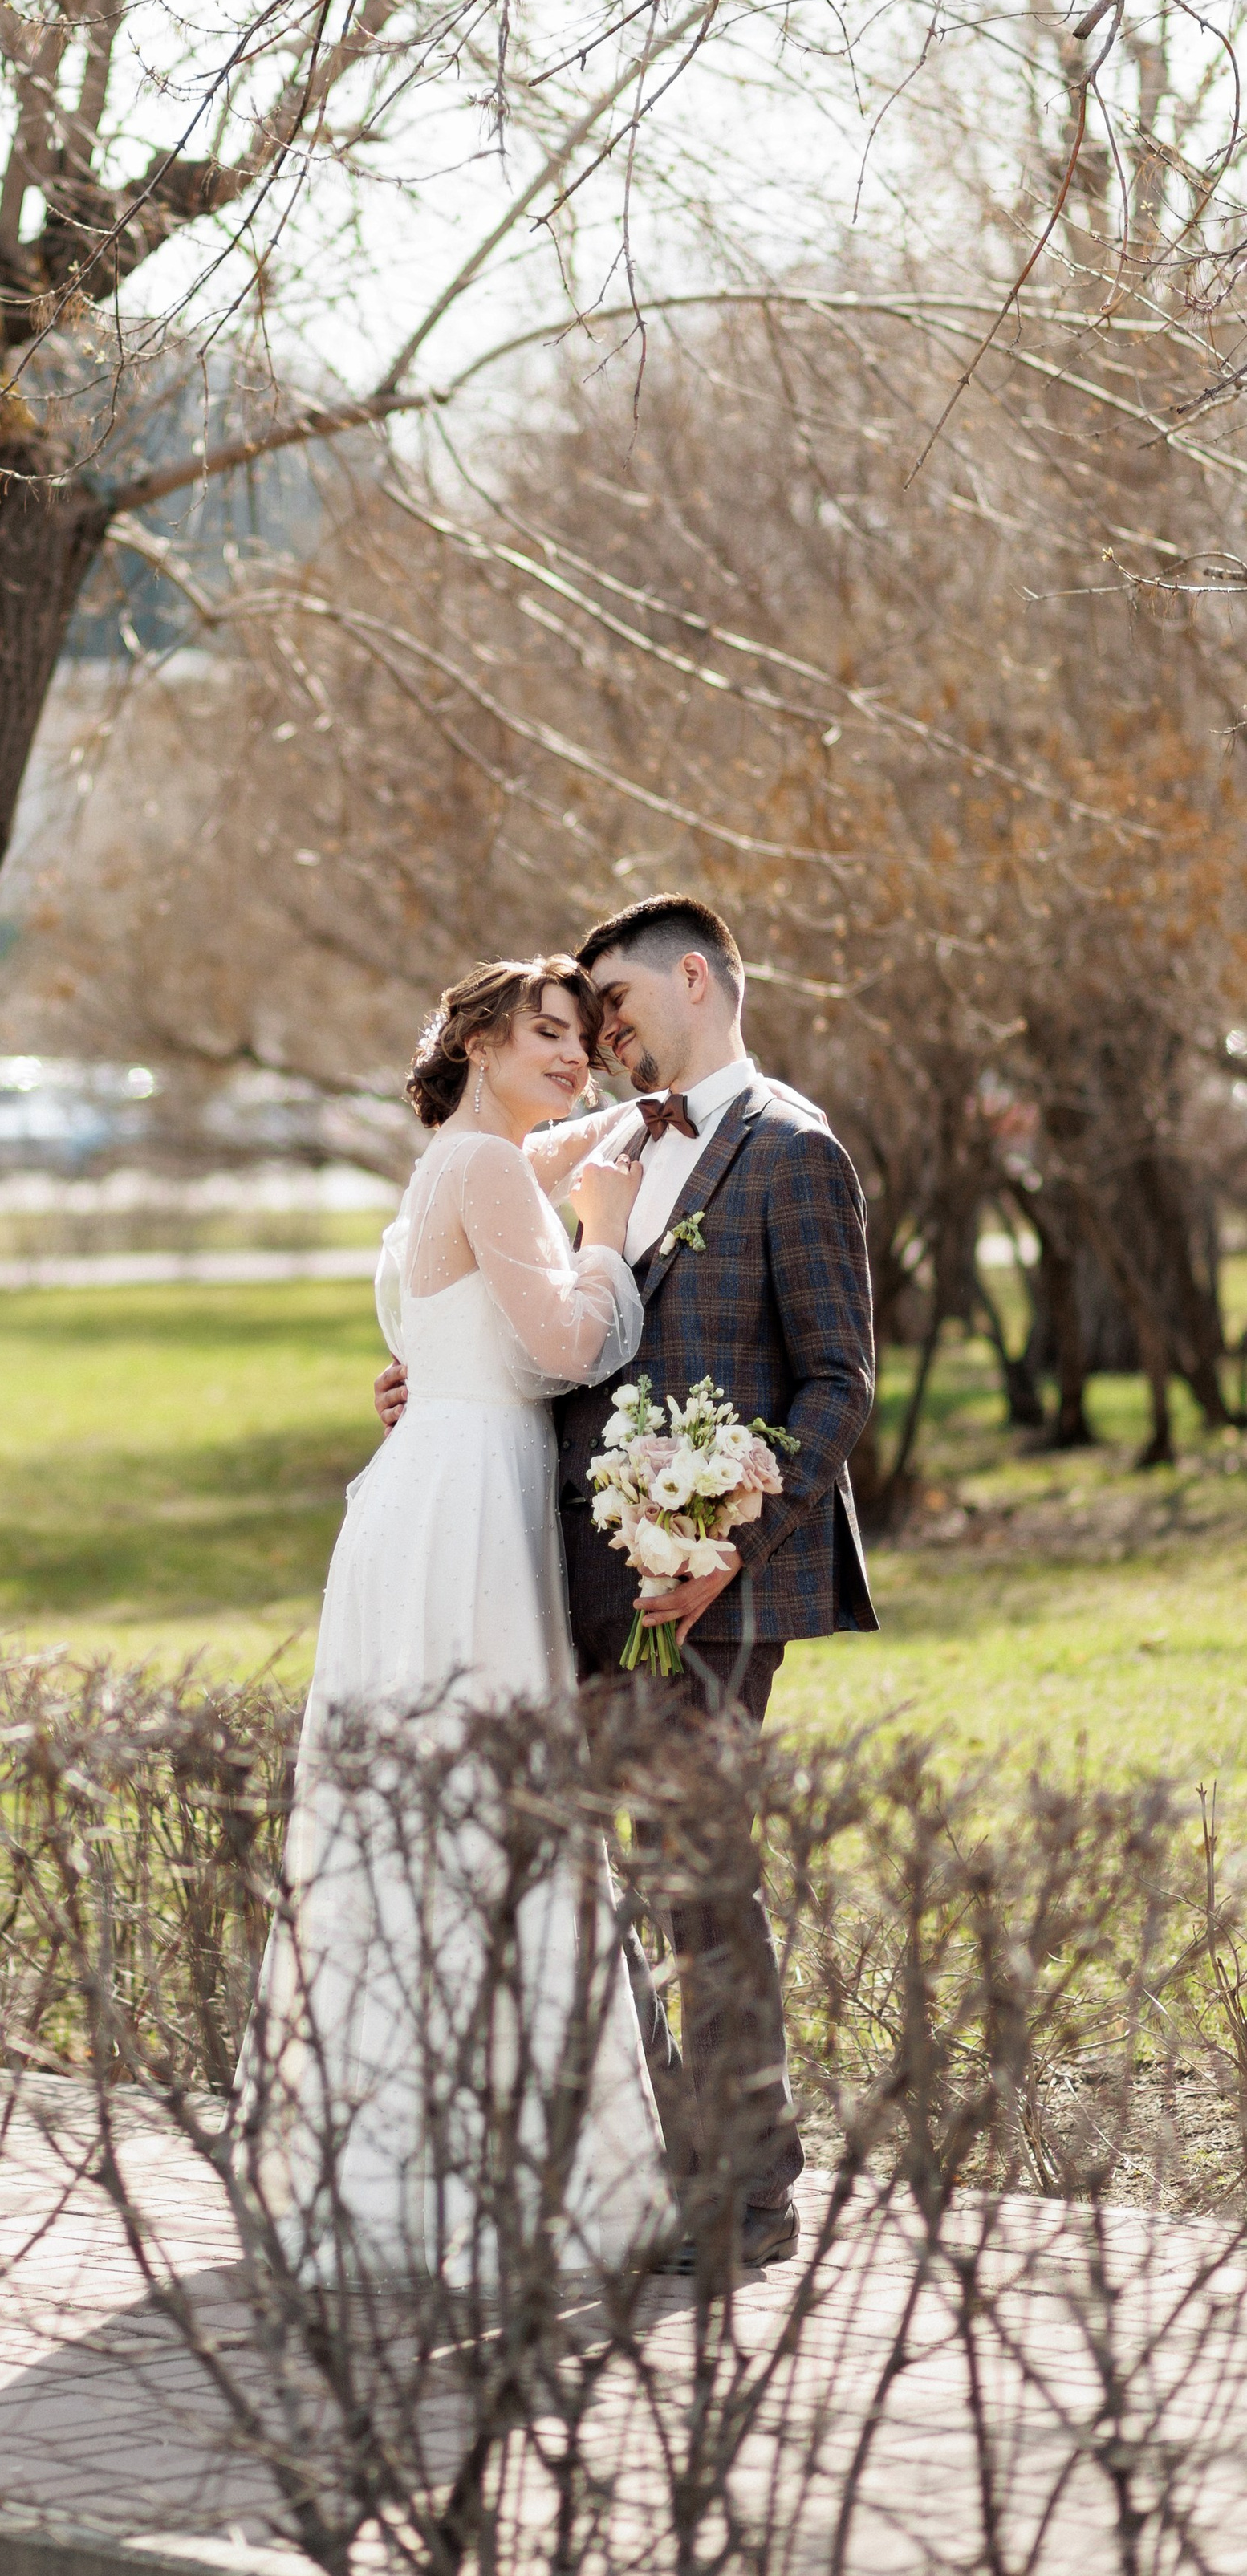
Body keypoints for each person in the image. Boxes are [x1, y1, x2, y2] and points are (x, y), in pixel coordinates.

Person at [376, 895, 878, 2275]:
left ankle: (748, 2193)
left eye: (616, 1004)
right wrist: (441, 1381)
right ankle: (656, 2173)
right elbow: (558, 1338)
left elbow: (841, 1383)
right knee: (589, 1884)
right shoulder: (607, 1152)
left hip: (721, 1587)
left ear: (694, 979)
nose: (604, 1034)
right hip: (567, 1571)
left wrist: (730, 1541)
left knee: (699, 1878)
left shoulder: (792, 1148)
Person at [249, 955, 674, 2282]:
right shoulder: (485, 1168)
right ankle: (486, 2176)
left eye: (585, 1043)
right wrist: (609, 1230)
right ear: (481, 1040)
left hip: (428, 1495)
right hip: (467, 1505)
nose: (574, 1060)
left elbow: (569, 1148)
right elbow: (558, 1346)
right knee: (493, 1818)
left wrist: (652, 1115)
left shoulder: (467, 1157)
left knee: (423, 1822)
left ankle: (400, 2158)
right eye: (547, 1035)